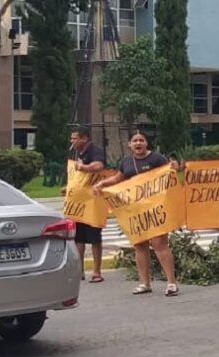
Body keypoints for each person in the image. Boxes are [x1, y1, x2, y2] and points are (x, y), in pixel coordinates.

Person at [92, 130, 181, 296]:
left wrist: (175, 167)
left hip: (156, 209)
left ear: (146, 143)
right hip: (135, 211)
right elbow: (118, 179)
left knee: (159, 244)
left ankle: (171, 282)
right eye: (135, 141)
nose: (138, 143)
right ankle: (144, 283)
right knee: (139, 245)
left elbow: (170, 172)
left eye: (141, 140)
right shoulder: (126, 161)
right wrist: (102, 184)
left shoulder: (156, 159)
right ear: (130, 144)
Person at [67, 127, 107, 283]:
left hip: (93, 203)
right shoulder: (76, 153)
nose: (72, 141)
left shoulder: (94, 151)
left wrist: (83, 167)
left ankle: (97, 272)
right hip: (78, 204)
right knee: (79, 238)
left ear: (84, 139)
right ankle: (80, 270)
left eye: (75, 138)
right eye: (72, 138)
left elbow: (99, 166)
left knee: (95, 238)